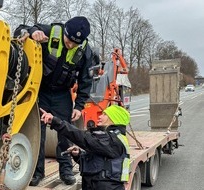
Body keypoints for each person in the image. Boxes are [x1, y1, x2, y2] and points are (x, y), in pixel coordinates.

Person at [27, 16, 94, 186]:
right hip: (41, 90)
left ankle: (65, 170)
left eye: (75, 43)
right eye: (69, 40)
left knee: (65, 132)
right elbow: (21, 28)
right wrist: (34, 32)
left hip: (62, 94)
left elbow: (86, 80)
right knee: (38, 132)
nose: (71, 45)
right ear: (64, 32)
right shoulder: (51, 32)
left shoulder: (85, 51)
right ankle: (37, 172)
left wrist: (79, 105)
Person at [40, 105, 130, 190]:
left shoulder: (112, 140)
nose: (100, 117)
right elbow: (98, 163)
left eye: (104, 114)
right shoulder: (109, 140)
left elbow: (84, 138)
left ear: (114, 119)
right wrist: (79, 155)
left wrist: (56, 122)